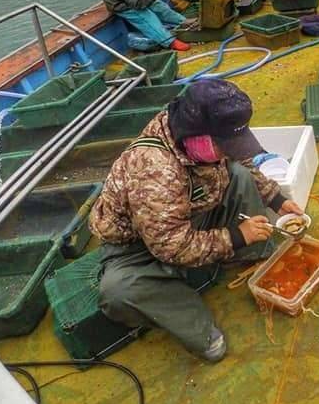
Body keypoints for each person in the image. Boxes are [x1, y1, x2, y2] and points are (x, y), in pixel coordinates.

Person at [91, 79, 304, 362]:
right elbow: (171, 247)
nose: (231, 151)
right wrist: (236, 236)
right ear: (199, 139)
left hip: (184, 213)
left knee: (238, 174)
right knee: (117, 291)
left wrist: (276, 199)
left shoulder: (190, 130)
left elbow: (240, 159)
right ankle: (198, 327)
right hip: (138, 246)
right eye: (224, 145)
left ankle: (251, 254)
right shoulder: (155, 170)